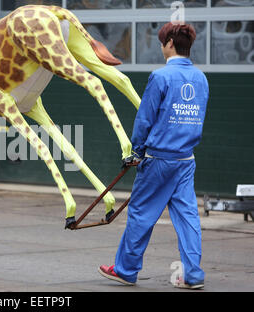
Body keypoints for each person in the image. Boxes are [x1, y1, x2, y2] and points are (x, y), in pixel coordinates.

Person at [98, 22, 209, 289]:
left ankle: (126, 269)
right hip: (185, 160)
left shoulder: (161, 77)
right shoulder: (201, 79)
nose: (161, 46)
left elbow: (145, 119)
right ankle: (193, 274)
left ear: (170, 43)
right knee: (187, 217)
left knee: (141, 214)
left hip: (158, 159)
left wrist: (136, 151)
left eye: (162, 42)